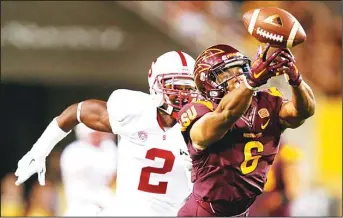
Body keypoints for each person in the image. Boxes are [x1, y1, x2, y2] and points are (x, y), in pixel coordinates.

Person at [14, 51, 197, 216]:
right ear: (156, 83)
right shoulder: (135, 112)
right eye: (175, 86)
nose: (181, 94)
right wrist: (39, 150)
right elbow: (78, 111)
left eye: (187, 87)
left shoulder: (201, 126)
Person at [177, 43, 316, 217]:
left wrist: (295, 78)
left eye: (240, 69)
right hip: (204, 211)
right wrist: (251, 82)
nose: (237, 78)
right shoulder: (200, 110)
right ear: (207, 83)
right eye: (226, 74)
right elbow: (225, 116)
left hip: (242, 211)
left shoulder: (268, 101)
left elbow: (303, 112)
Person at [60, 123, 117, 215]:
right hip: (80, 208)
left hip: (104, 207)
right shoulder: (72, 152)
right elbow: (79, 189)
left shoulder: (108, 149)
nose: (96, 135)